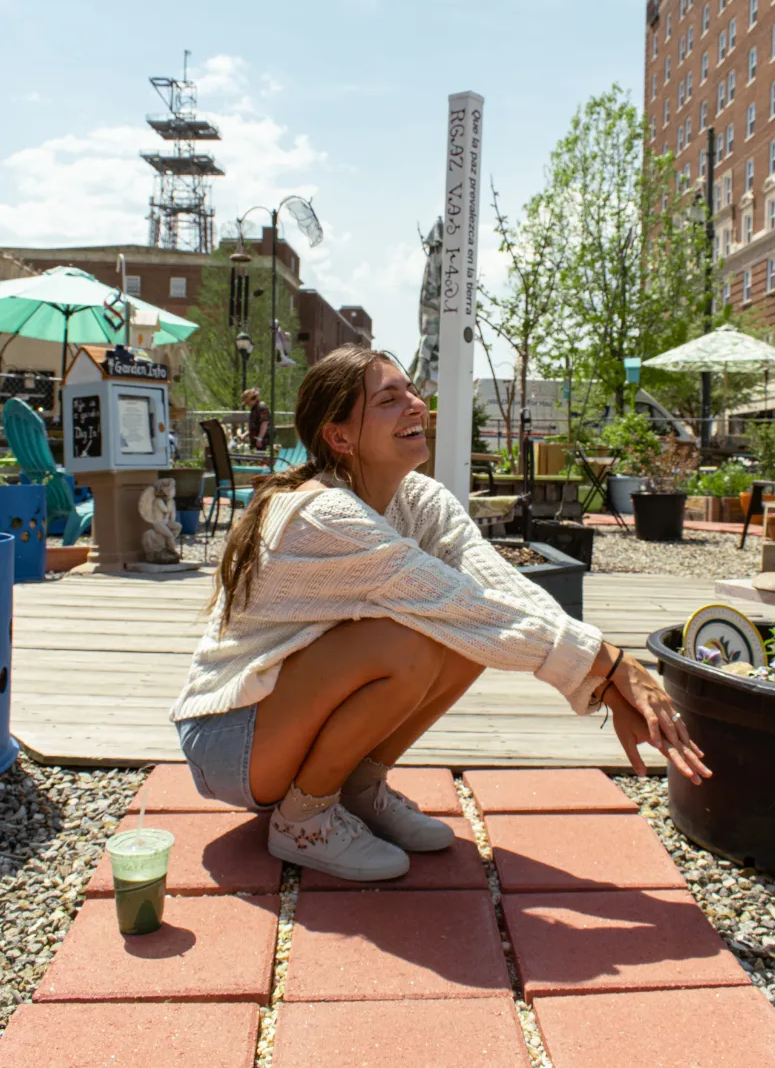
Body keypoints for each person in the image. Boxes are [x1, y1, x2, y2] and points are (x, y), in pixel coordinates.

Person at [170, 346, 710, 883]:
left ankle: (356, 789)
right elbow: (458, 604)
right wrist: (611, 666)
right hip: (230, 741)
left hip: (279, 724)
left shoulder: (420, 498)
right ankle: (303, 821)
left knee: (463, 637)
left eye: (410, 391)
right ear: (339, 437)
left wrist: (607, 675)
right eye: (389, 399)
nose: (415, 405)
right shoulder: (323, 513)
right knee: (410, 641)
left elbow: (499, 591)